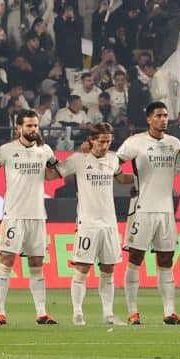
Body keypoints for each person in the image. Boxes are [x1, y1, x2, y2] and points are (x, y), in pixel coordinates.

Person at [0, 109, 64, 325]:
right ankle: (0, 312)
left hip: (38, 215)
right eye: (29, 126)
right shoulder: (7, 150)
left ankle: (41, 313)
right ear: (18, 127)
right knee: (7, 261)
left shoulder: (45, 150)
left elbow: (54, 172)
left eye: (35, 126)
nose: (33, 129)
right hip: (14, 215)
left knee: (37, 263)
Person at [118, 102, 180, 325]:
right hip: (142, 209)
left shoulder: (174, 144)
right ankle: (132, 311)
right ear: (149, 119)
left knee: (166, 260)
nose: (163, 119)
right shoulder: (135, 142)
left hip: (166, 211)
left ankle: (169, 312)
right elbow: (114, 162)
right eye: (158, 115)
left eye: (166, 115)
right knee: (135, 259)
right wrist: (126, 178)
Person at [61, 123, 124, 326]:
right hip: (87, 223)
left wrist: (144, 180)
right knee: (82, 268)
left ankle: (108, 313)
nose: (105, 145)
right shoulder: (79, 159)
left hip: (109, 223)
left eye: (108, 141)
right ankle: (78, 313)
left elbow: (122, 177)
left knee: (108, 269)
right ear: (91, 140)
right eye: (101, 141)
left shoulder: (113, 159)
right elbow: (54, 172)